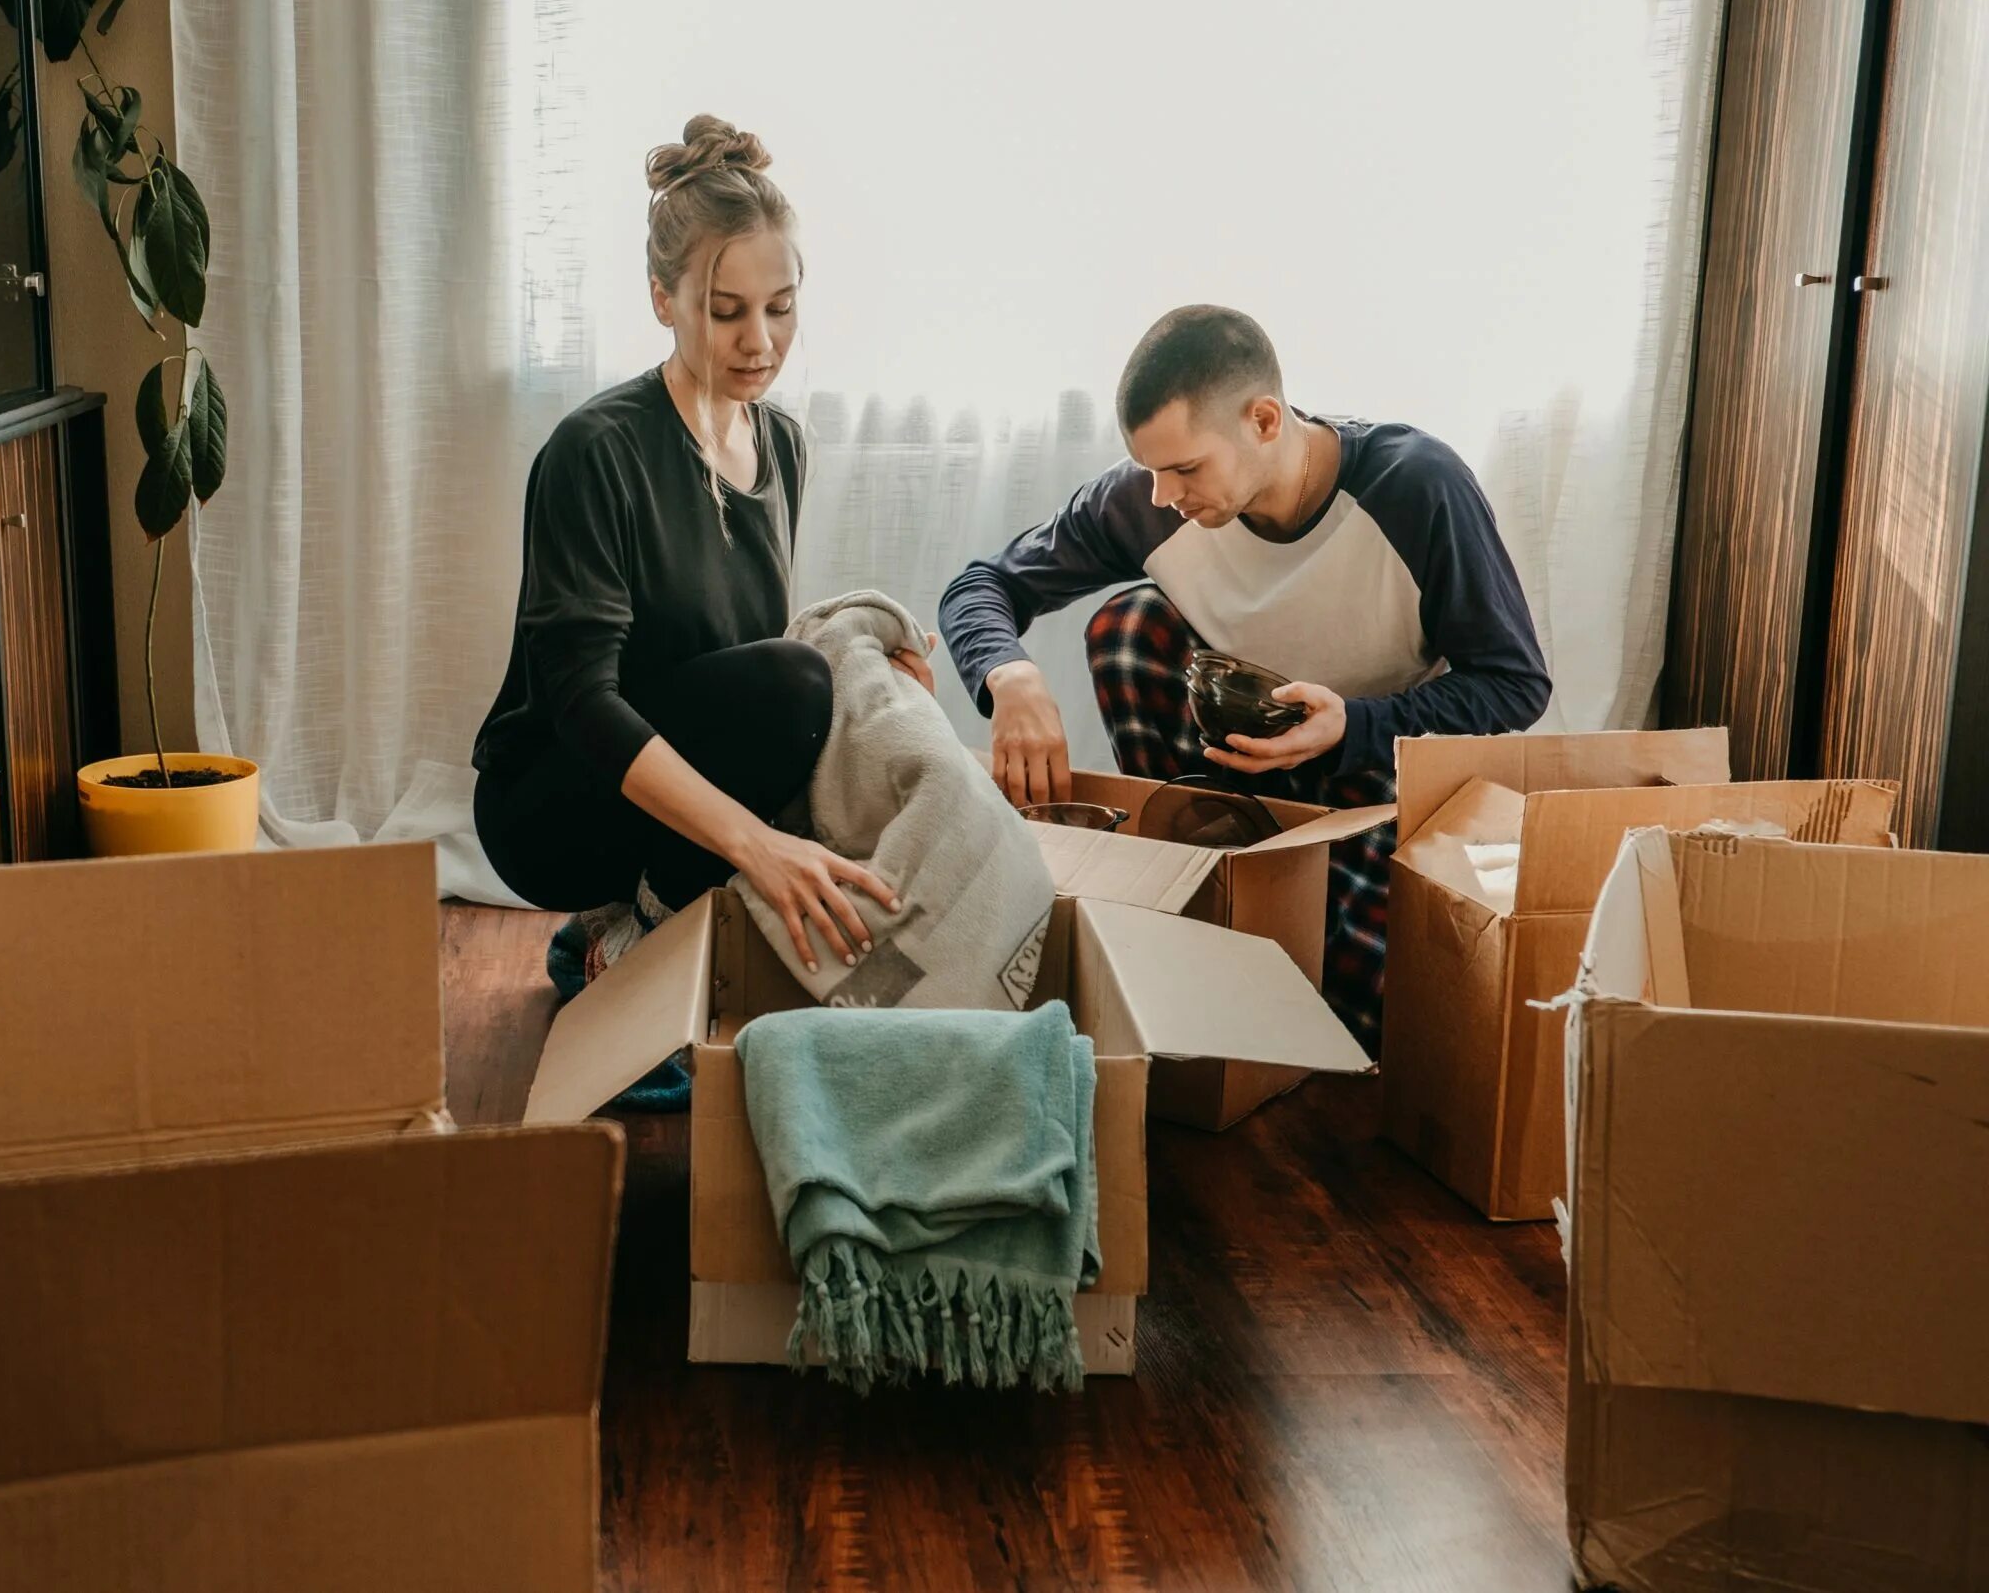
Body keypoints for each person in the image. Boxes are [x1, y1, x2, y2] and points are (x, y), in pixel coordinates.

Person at [938, 305, 1550, 1044]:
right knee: (1130, 628)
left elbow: (1515, 683)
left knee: (1361, 1015)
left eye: (1187, 468)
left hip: (1371, 773)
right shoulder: (1151, 500)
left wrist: (1355, 725)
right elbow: (981, 586)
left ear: (1264, 420)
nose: (1165, 495)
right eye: (1151, 470)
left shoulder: (1418, 486)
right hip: (1229, 767)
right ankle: (1194, 871)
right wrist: (1011, 676)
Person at [474, 115, 931, 997]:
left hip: (662, 784)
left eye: (780, 307)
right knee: (797, 683)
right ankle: (633, 935)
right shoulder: (594, 451)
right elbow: (580, 702)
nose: (758, 341)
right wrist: (754, 844)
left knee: (820, 683)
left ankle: (645, 910)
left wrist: (880, 654)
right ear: (661, 299)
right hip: (551, 801)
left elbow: (735, 648)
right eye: (725, 312)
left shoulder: (784, 446)